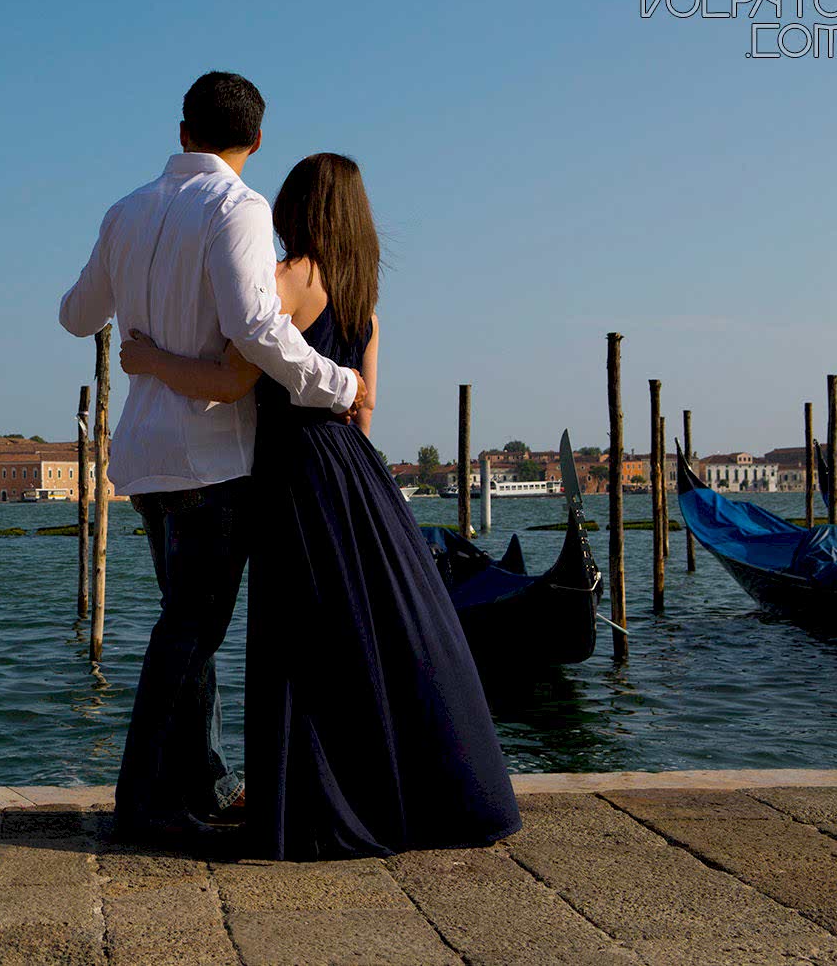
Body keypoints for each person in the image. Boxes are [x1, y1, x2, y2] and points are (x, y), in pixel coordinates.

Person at [118, 152, 521, 859]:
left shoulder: (289, 280)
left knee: (300, 642)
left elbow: (231, 377)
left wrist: (148, 359)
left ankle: (303, 805)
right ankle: (395, 791)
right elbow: (364, 407)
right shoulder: (363, 296)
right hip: (355, 473)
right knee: (366, 638)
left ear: (299, 208)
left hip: (294, 472)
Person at [58, 72, 365, 846]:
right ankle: (146, 800)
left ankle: (198, 782)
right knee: (191, 631)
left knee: (187, 628)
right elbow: (257, 331)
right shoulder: (240, 207)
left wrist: (138, 309)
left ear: (183, 130)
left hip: (145, 461)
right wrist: (338, 383)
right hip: (211, 457)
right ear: (254, 143)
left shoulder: (125, 211)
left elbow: (75, 316)